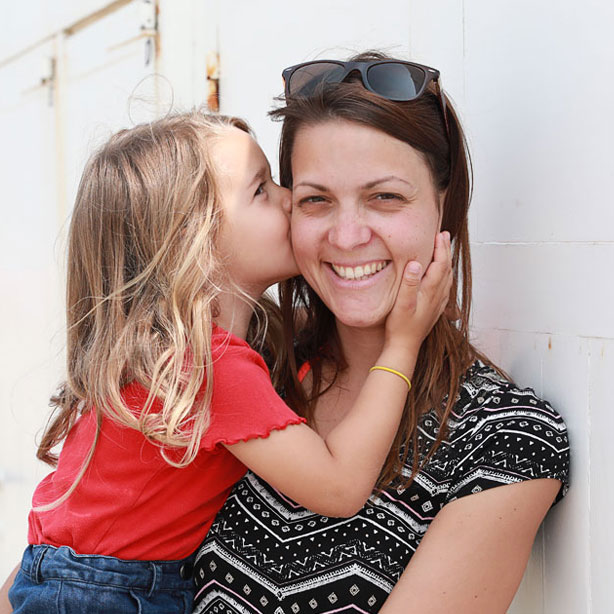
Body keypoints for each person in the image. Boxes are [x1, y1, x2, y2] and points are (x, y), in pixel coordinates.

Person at [0, 111, 453, 613]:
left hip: (73, 576)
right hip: (105, 593)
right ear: (193, 241)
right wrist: (401, 345)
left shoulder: (179, 347)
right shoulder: (209, 365)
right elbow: (341, 486)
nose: (289, 198)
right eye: (262, 189)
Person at [192, 52, 570, 614]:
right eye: (315, 200)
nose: (347, 237)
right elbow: (76, 550)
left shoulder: (502, 440)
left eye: (385, 197)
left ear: (445, 204)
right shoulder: (250, 370)